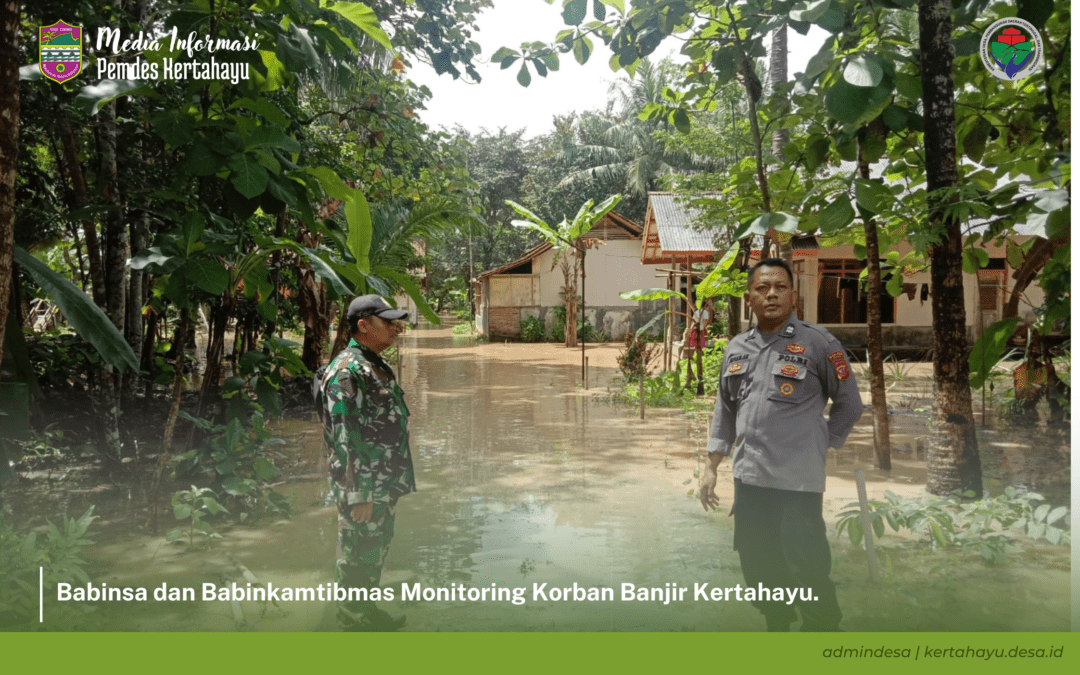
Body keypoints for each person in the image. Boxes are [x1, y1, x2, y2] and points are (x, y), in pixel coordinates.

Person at [699, 258, 863, 632]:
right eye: (762, 288)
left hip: (797, 484)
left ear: (793, 295)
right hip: (750, 481)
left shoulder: (818, 343)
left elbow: (850, 404)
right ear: (749, 298)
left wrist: (821, 443)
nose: (771, 294)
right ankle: (778, 629)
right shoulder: (736, 348)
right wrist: (711, 467)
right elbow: (725, 410)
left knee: (807, 568)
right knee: (759, 566)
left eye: (779, 287)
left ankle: (822, 635)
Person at [322, 294, 416, 631]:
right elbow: (345, 433)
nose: (395, 328)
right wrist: (359, 493)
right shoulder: (347, 371)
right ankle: (351, 622)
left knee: (371, 551)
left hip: (380, 482)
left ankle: (364, 611)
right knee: (357, 555)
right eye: (387, 321)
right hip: (364, 485)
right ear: (363, 326)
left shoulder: (372, 363)